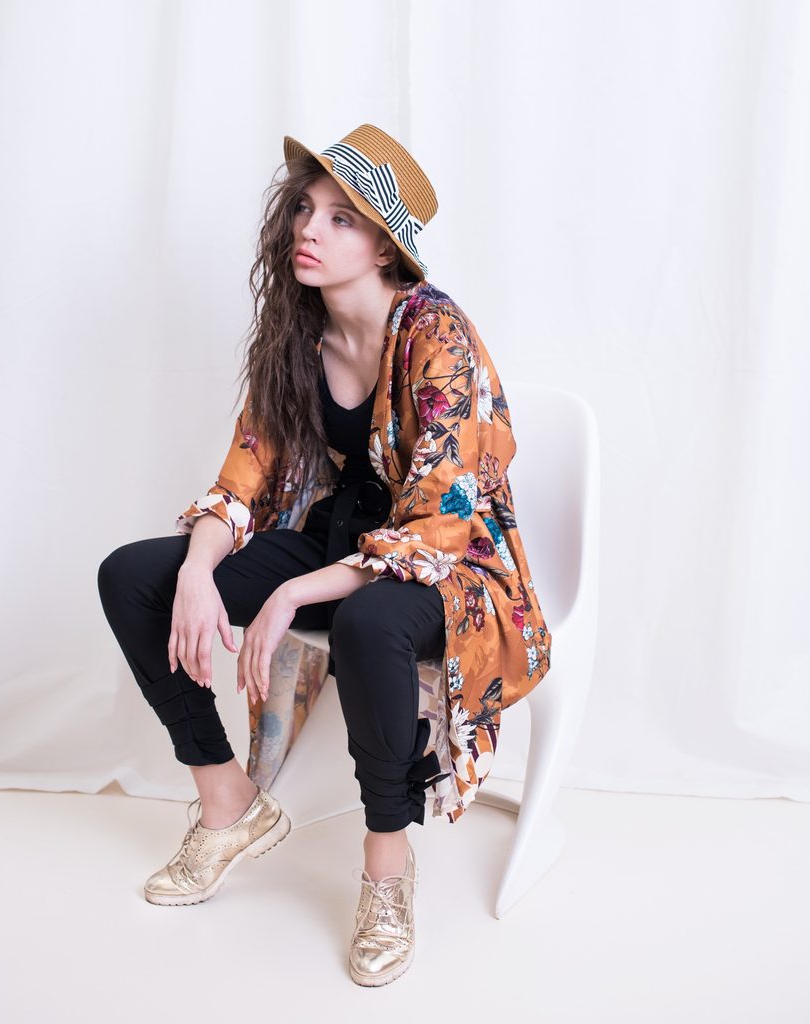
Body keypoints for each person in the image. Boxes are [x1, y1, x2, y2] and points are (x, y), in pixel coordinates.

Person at [97, 124, 553, 987]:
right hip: (340, 540)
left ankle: (387, 870)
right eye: (306, 209)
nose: (310, 228)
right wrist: (196, 571)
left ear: (384, 247)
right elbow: (241, 479)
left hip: (452, 567)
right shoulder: (299, 337)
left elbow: (439, 522)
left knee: (370, 624)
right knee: (133, 577)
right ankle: (228, 803)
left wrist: (289, 594)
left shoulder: (438, 335)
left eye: (342, 218)